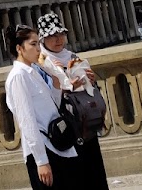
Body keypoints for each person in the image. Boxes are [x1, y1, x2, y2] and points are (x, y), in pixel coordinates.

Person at [36, 12, 107, 190]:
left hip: (84, 121)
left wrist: (90, 80)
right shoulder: (41, 63)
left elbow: (89, 89)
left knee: (94, 173)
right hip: (64, 126)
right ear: (43, 39)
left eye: (61, 34)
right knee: (74, 176)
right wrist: (67, 87)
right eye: (52, 35)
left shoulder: (72, 56)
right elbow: (44, 98)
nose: (58, 39)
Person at [4, 24, 78, 190]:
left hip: (56, 142)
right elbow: (26, 120)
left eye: (38, 43)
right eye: (33, 44)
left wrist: (57, 82)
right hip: (43, 148)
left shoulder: (34, 71)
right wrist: (41, 161)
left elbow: (52, 106)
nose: (38, 49)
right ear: (19, 48)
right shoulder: (18, 76)